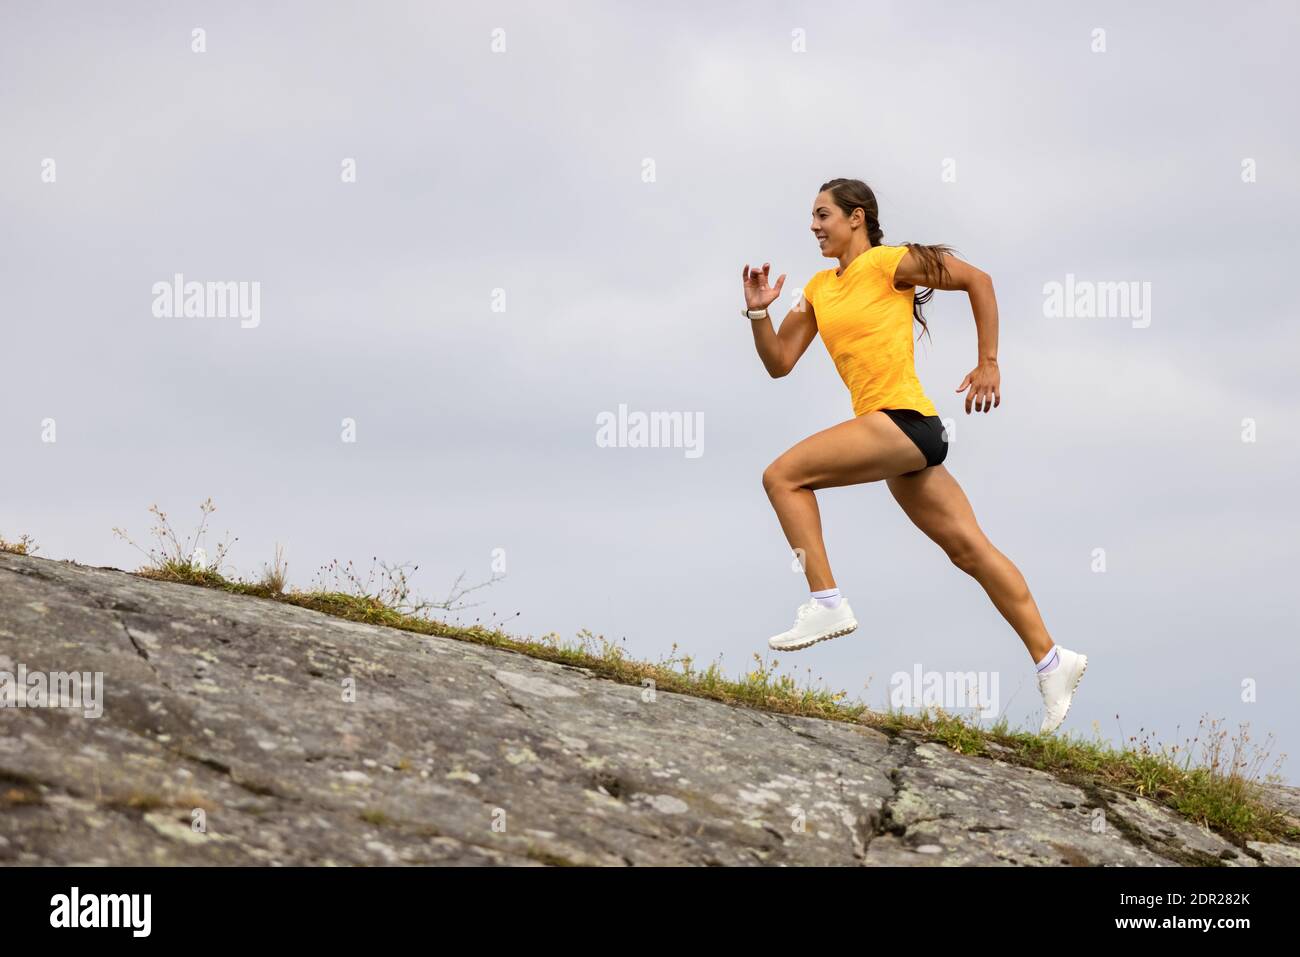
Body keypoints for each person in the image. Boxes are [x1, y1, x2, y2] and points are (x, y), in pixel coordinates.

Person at [743, 177, 1086, 734]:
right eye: (811, 217)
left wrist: (989, 362)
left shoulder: (890, 264)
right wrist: (759, 314)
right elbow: (779, 362)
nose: (813, 226)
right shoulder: (818, 289)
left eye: (823, 214)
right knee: (970, 551)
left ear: (857, 218)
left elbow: (979, 280)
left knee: (782, 477)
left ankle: (827, 601)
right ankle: (1053, 661)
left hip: (904, 423)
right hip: (898, 442)